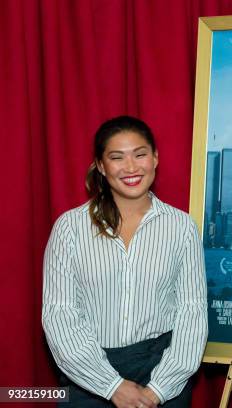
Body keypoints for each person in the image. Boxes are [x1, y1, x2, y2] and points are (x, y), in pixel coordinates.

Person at [42, 116, 207, 407]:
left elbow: (191, 312)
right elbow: (60, 314)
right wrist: (112, 386)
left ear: (155, 158)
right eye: (117, 158)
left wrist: (158, 389)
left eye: (140, 154)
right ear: (102, 166)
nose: (131, 168)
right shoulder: (69, 228)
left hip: (163, 372)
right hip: (88, 375)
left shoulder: (181, 227)